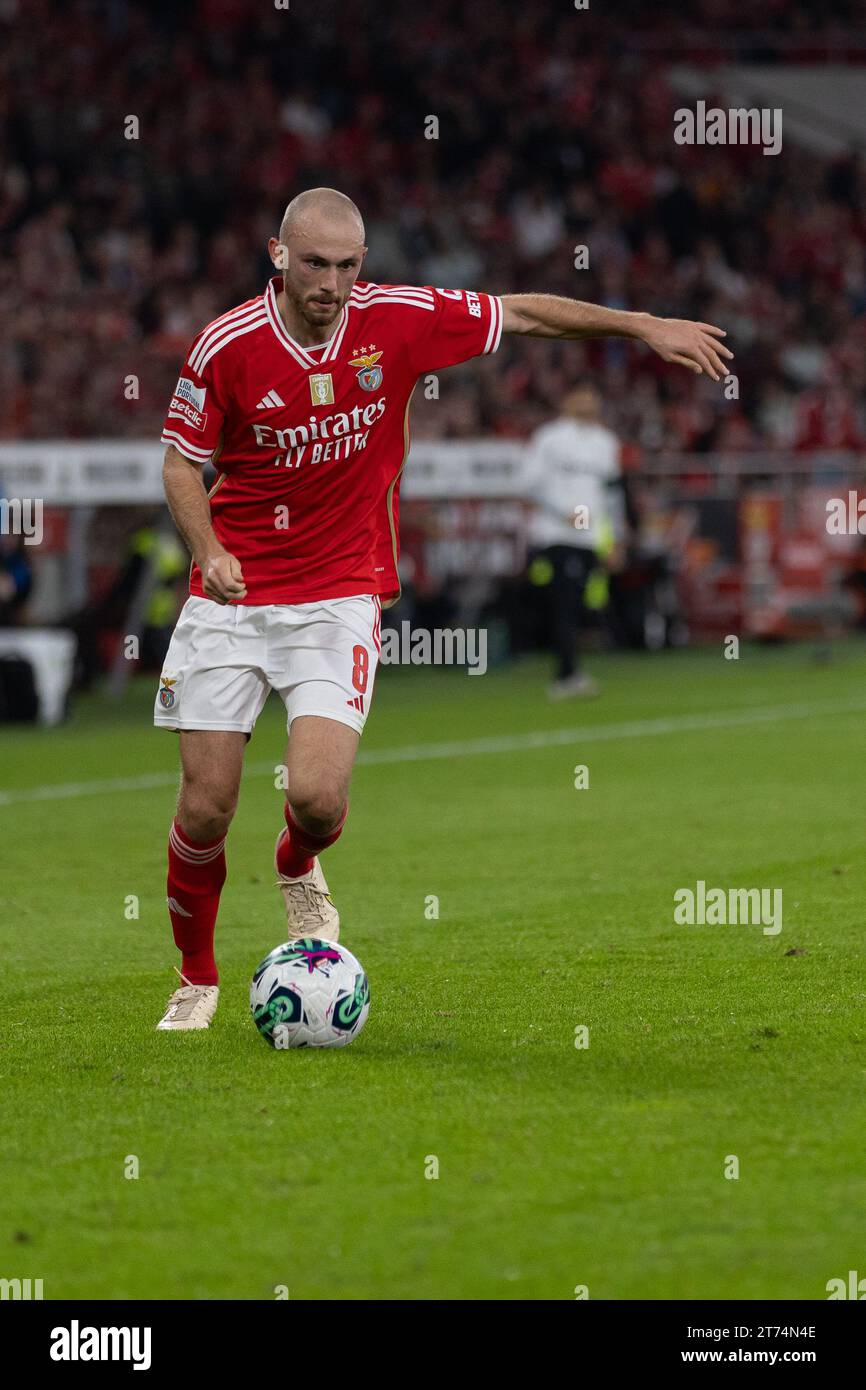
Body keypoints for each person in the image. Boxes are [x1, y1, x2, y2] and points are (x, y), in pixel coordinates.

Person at [154, 186, 732, 1030]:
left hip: (340, 591)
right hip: (232, 594)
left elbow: (522, 314)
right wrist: (208, 549)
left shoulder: (398, 319)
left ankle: (295, 864)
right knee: (205, 806)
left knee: (316, 798)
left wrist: (640, 325)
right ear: (278, 256)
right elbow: (180, 463)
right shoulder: (226, 346)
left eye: (348, 266)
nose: (332, 283)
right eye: (314, 263)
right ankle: (197, 976)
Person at [526, 381, 623, 698]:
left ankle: (569, 672)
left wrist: (616, 539)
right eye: (581, 394)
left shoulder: (606, 442)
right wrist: (563, 511)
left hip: (590, 539)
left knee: (579, 606)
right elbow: (530, 483)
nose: (588, 401)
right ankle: (565, 675)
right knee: (564, 606)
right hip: (558, 535)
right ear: (567, 400)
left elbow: (611, 495)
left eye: (592, 395)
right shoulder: (550, 438)